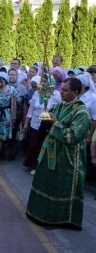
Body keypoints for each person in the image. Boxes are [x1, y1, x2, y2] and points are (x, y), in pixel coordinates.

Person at [26, 78, 91, 230]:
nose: (61, 92)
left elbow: (72, 136)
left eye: (65, 90)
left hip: (67, 159)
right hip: (49, 152)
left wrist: (54, 123)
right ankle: (39, 213)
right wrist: (44, 109)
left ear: (76, 92)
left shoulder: (82, 113)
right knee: (45, 182)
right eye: (61, 89)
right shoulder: (60, 105)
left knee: (61, 188)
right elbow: (46, 119)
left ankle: (59, 219)